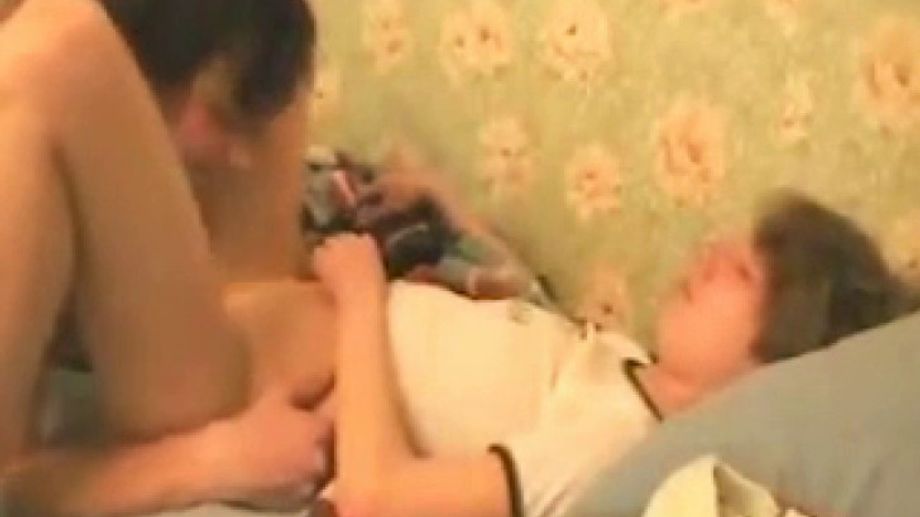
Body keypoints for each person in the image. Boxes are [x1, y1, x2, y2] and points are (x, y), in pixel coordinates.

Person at [311, 188, 911, 517]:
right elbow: (538, 311)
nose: (710, 255)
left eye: (742, 273)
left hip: (335, 354)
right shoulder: (628, 366)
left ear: (773, 364)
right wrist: (443, 199)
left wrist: (361, 298)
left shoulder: (612, 442)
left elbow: (376, 497)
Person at [0, 0, 334, 514]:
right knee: (57, 46)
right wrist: (203, 463)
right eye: (221, 115)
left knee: (62, 42)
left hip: (210, 371)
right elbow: (15, 482)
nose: (238, 155)